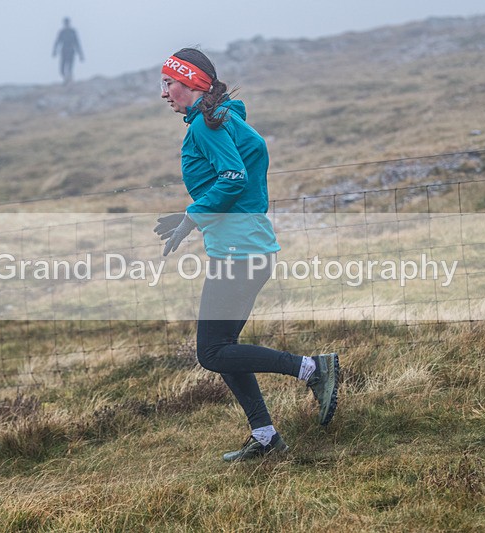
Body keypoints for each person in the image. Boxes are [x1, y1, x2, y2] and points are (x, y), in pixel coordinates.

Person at [155, 48, 339, 462]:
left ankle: (312, 369)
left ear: (194, 83)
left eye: (170, 83)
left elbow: (233, 177)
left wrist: (191, 218)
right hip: (247, 245)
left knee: (211, 352)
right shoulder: (224, 116)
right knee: (224, 347)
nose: (164, 92)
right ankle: (266, 436)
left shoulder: (206, 123)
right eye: (163, 83)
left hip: (239, 250)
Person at [52, 17, 84, 84]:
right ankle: (66, 78)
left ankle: (69, 80)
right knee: (62, 68)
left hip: (71, 50)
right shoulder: (62, 32)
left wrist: (80, 54)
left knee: (70, 67)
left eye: (67, 22)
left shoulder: (73, 32)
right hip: (64, 50)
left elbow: (77, 42)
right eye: (65, 22)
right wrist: (54, 51)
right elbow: (57, 42)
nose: (66, 24)